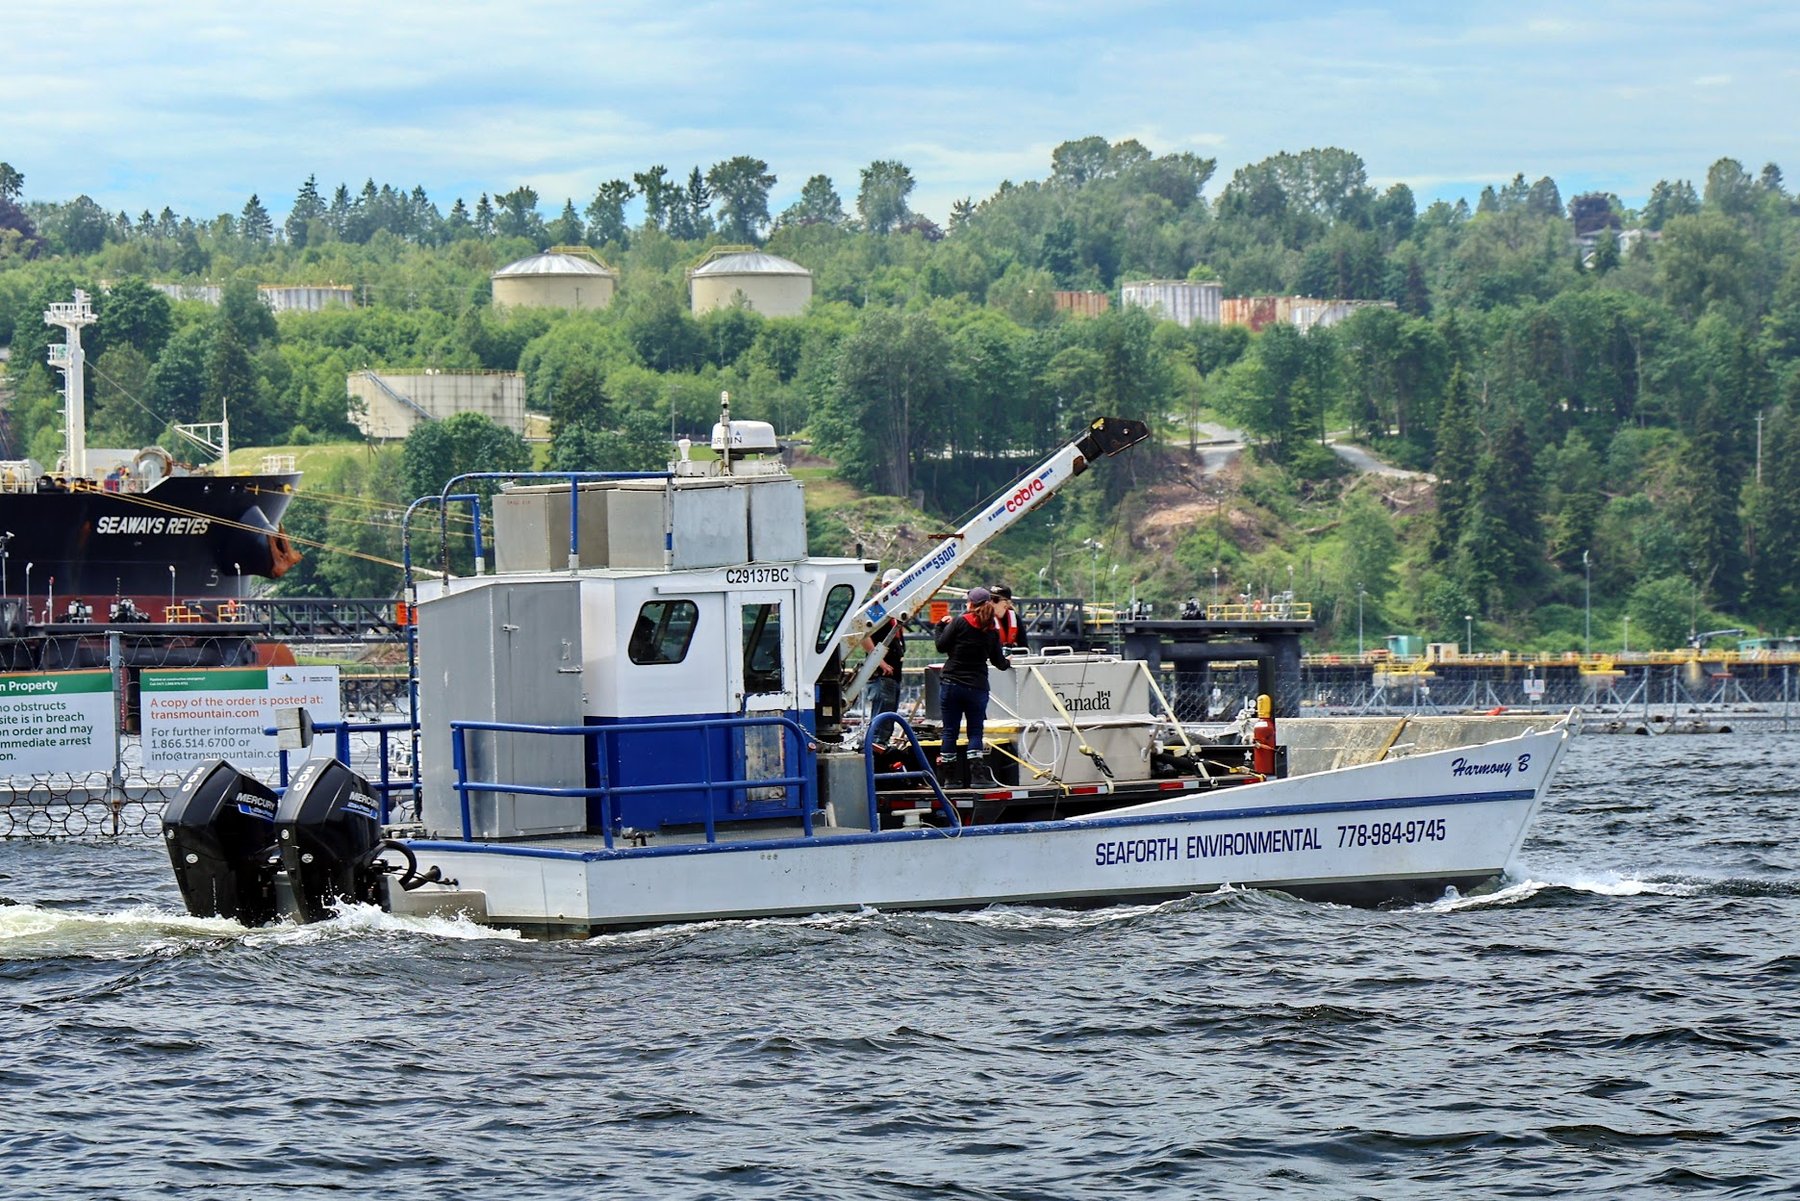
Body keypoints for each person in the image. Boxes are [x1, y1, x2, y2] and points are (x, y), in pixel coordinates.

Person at [934, 586, 1011, 785]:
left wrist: (939, 627)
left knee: (950, 731)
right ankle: (978, 776)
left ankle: (950, 779)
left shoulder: (960, 622)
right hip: (977, 686)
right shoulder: (992, 631)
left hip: (951, 684)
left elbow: (941, 646)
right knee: (975, 732)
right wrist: (1009, 661)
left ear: (970, 603)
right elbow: (999, 663)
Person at [862, 569, 906, 726]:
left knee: (888, 719)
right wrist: (880, 662)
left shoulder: (892, 610)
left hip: (892, 673)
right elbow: (863, 634)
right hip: (883, 674)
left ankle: (880, 746)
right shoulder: (877, 608)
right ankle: (875, 747)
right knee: (882, 720)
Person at [991, 585, 1021, 649]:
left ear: (1007, 603)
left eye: (995, 600)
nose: (991, 602)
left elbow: (1023, 644)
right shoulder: (987, 619)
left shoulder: (1015, 618)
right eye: (990, 599)